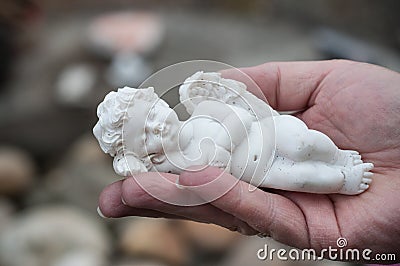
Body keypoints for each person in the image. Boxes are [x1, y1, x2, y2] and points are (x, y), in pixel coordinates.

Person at [97, 60, 400, 261]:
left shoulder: (200, 111)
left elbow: (239, 115)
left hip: (267, 133)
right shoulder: (175, 167)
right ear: (146, 152)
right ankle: (343, 180)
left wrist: (224, 146)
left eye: (153, 114)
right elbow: (205, 183)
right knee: (301, 179)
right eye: (147, 134)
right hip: (262, 172)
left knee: (307, 142)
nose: (158, 126)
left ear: (160, 102)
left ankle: (337, 157)